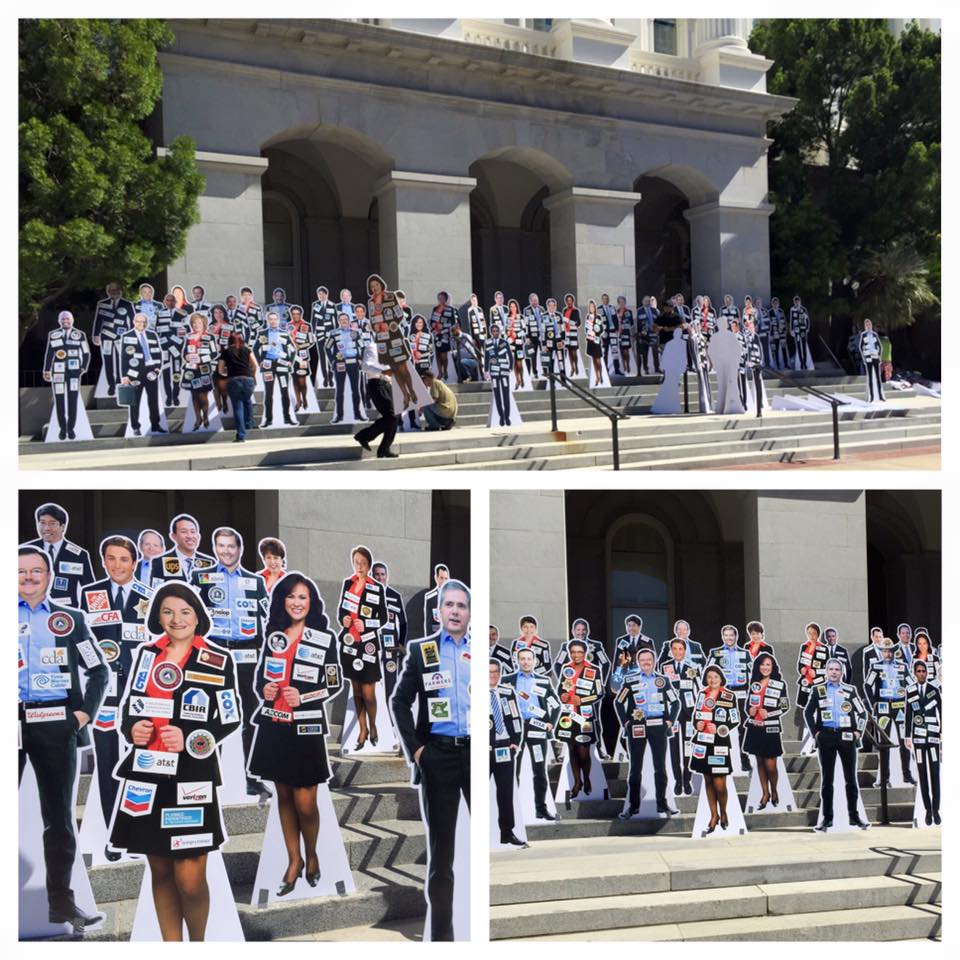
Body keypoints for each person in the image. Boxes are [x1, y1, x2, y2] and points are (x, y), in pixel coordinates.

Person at [107, 582, 241, 940]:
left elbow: (229, 718)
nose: (176, 619)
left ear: (198, 616)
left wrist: (191, 738)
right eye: (167, 611)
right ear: (158, 616)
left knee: (190, 879)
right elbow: (130, 710)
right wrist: (131, 729)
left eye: (184, 611)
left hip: (191, 777)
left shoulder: (216, 659)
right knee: (161, 871)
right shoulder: (147, 655)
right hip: (147, 774)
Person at [19, 545, 108, 928]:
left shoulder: (69, 619)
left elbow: (98, 670)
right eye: (19, 571)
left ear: (49, 576)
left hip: (55, 720)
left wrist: (83, 713)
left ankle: (61, 903)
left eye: (35, 571)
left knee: (58, 818)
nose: (27, 578)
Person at [247, 572, 342, 894]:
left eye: (303, 597)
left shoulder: (323, 637)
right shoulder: (274, 634)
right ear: (282, 600)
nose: (297, 602)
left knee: (305, 803)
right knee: (284, 798)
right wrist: (265, 687)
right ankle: (293, 861)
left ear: (311, 602)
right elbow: (260, 678)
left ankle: (313, 854)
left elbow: (333, 683)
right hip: (275, 726)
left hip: (306, 727)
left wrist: (305, 697)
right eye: (291, 596)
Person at [391, 579, 471, 942]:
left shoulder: (483, 652)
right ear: (439, 612)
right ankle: (443, 939)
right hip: (438, 754)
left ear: (469, 613)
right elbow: (400, 702)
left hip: (475, 753)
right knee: (442, 855)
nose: (455, 611)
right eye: (449, 605)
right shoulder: (423, 651)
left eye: (461, 606)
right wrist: (418, 750)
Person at [79, 535, 154, 860]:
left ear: (134, 563)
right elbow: (82, 642)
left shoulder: (149, 597)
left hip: (139, 696)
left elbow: (156, 645)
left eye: (124, 559)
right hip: (105, 696)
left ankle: (137, 831)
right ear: (103, 560)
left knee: (140, 764)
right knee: (108, 766)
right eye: (111, 558)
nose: (117, 565)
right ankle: (114, 835)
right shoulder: (90, 594)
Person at [191, 527, 270, 800]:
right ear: (215, 549)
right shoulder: (201, 578)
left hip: (248, 655)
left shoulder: (254, 581)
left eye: (231, 546)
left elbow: (267, 619)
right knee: (213, 715)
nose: (226, 551)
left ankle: (251, 778)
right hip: (214, 653)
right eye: (221, 546)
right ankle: (211, 778)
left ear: (240, 549)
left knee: (249, 715)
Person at [804, 658, 870, 831]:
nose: (834, 672)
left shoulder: (849, 690)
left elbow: (863, 714)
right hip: (826, 736)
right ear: (826, 672)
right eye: (831, 669)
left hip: (847, 736)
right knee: (827, 780)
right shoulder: (818, 690)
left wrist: (858, 732)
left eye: (837, 670)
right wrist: (816, 733)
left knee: (851, 779)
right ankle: (827, 818)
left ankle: (854, 817)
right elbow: (808, 712)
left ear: (842, 673)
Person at [615, 648, 681, 818]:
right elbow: (618, 702)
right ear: (638, 662)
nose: (646, 662)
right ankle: (633, 806)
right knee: (635, 768)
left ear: (654, 661)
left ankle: (662, 803)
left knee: (660, 767)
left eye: (649, 659)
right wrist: (626, 722)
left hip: (658, 725)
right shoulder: (631, 680)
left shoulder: (663, 680)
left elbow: (675, 703)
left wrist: (670, 721)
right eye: (642, 660)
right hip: (637, 726)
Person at [337, 545, 389, 749]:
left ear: (369, 564)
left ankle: (374, 726)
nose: (359, 566)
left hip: (368, 644)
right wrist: (345, 620)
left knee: (369, 693)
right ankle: (362, 729)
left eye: (363, 562)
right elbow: (341, 611)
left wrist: (366, 624)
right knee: (356, 691)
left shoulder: (376, 587)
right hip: (350, 644)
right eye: (356, 562)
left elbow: (383, 618)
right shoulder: (347, 583)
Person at [502, 647, 559, 821]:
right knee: (512, 770)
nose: (526, 662)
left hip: (537, 727)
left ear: (534, 661)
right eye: (522, 659)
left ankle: (540, 809)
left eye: (529, 659)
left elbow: (555, 704)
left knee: (539, 770)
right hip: (515, 728)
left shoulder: (543, 680)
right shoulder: (507, 680)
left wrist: (550, 722)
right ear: (517, 661)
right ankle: (512, 810)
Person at [690, 664, 741, 834]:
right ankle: (714, 815)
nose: (712, 680)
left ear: (721, 679)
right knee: (708, 781)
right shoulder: (702, 694)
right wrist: (697, 724)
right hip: (703, 742)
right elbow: (696, 716)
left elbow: (734, 720)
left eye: (715, 677)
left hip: (719, 743)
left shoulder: (728, 695)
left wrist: (719, 727)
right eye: (709, 677)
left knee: (720, 783)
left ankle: (724, 812)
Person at [554, 639, 604, 799]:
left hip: (585, 716)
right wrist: (562, 694)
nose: (576, 655)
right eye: (573, 652)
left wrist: (582, 700)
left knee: (584, 752)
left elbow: (600, 693)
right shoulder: (566, 669)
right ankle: (577, 782)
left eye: (579, 652)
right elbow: (560, 688)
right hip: (568, 716)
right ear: (570, 653)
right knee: (572, 750)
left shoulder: (594, 670)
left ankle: (587, 778)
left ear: (585, 653)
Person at [864, 638, 915, 786]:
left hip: (900, 706)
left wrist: (910, 703)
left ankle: (907, 775)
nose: (887, 653)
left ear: (893, 652)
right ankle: (884, 778)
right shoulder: (876, 666)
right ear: (881, 652)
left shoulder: (902, 666)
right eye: (885, 651)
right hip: (883, 707)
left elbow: (911, 685)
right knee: (884, 742)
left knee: (904, 740)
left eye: (890, 651)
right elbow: (867, 685)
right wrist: (874, 703)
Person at [743, 653, 790, 809]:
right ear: (758, 667)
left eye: (768, 664)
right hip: (755, 727)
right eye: (762, 664)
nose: (765, 667)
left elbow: (785, 706)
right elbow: (747, 705)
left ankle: (775, 790)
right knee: (760, 763)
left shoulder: (779, 684)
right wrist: (749, 710)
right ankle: (765, 793)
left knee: (771, 765)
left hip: (771, 728)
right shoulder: (754, 684)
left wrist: (769, 713)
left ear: (773, 667)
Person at [661, 636, 705, 795]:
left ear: (685, 651)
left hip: (688, 714)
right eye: (675, 649)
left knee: (688, 748)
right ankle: (677, 781)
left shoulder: (692, 667)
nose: (678, 652)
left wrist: (698, 713)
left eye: (680, 649)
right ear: (671, 651)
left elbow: (700, 690)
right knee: (673, 749)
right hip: (672, 716)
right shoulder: (665, 667)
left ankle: (687, 780)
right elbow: (662, 691)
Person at [28, 502, 95, 607]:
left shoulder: (79, 555)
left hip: (66, 613)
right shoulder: (26, 551)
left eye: (52, 523)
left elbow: (90, 590)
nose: (46, 528)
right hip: (32, 610)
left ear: (62, 527)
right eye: (42, 523)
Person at [706, 625, 752, 771]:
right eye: (726, 635)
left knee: (743, 728)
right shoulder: (716, 653)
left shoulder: (745, 653)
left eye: (731, 635)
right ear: (722, 637)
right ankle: (721, 758)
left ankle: (744, 760)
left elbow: (753, 673)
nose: (729, 638)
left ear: (736, 636)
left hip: (741, 693)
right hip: (723, 694)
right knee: (720, 726)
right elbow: (707, 673)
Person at [489, 659, 525, 846]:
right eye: (489, 672)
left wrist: (515, 741)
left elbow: (515, 717)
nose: (493, 675)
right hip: (484, 748)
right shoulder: (473, 692)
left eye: (496, 672)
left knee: (505, 791)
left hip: (505, 747)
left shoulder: (506, 692)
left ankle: (507, 832)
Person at [353, 327, 400, 458]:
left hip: (387, 384)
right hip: (377, 384)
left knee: (396, 417)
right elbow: (365, 366)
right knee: (392, 416)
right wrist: (383, 371)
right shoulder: (371, 347)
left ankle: (384, 449)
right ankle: (363, 436)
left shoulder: (389, 351)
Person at [43, 310, 91, 440]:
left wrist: (83, 367)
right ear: (59, 321)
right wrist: (47, 370)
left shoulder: (79, 334)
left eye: (67, 319)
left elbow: (86, 353)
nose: (65, 321)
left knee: (72, 400)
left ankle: (71, 429)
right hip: (58, 372)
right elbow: (49, 353)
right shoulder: (53, 334)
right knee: (59, 400)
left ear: (72, 320)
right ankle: (62, 429)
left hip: (74, 372)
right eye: (63, 319)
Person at [904, 659, 941, 825]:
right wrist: (907, 736)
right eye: (918, 671)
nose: (921, 674)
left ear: (927, 673)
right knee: (923, 774)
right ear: (915, 673)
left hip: (933, 737)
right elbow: (908, 715)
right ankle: (927, 810)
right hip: (918, 738)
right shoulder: (910, 690)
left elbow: (943, 710)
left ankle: (936, 809)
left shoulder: (934, 689)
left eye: (923, 671)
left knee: (934, 774)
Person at [118, 312, 166, 436]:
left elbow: (158, 352)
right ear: (134, 322)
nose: (142, 324)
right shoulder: (127, 336)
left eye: (144, 321)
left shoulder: (152, 334)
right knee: (135, 402)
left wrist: (157, 368)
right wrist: (124, 376)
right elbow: (123, 357)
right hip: (134, 373)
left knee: (153, 400)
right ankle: (135, 426)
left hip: (151, 371)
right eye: (139, 321)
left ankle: (155, 425)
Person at [371, 561, 408, 701]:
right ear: (372, 575)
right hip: (370, 642)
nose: (380, 577)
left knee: (391, 679)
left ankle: (391, 718)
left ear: (387, 576)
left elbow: (403, 622)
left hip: (390, 643)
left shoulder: (394, 596)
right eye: (377, 574)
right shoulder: (365, 594)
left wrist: (401, 643)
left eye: (382, 574)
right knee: (369, 680)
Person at [255, 311, 296, 427]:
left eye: (275, 319)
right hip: (268, 365)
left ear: (278, 321)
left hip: (282, 365)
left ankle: (287, 418)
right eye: (270, 319)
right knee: (268, 394)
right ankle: (268, 420)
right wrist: (260, 362)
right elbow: (255, 349)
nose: (273, 321)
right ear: (268, 321)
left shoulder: (284, 334)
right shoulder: (262, 333)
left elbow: (292, 349)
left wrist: (290, 362)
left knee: (284, 392)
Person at [149, 514, 216, 585]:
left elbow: (213, 591)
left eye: (193, 532)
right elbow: (156, 591)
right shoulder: (160, 562)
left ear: (198, 536)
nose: (190, 536)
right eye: (184, 531)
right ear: (173, 536)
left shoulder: (209, 563)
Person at [92, 282, 134, 397]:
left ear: (120, 291)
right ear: (108, 292)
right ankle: (111, 385)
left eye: (116, 290)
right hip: (106, 337)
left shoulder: (127, 304)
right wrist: (96, 335)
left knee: (123, 360)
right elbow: (98, 320)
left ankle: (121, 381)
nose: (114, 292)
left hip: (122, 337)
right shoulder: (102, 304)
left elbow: (133, 321)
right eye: (112, 291)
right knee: (108, 361)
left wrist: (133, 335)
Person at [217, 331, 259, 442]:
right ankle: (249, 425)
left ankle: (241, 435)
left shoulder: (225, 352)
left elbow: (220, 370)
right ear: (242, 339)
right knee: (247, 400)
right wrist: (252, 374)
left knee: (238, 407)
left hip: (233, 381)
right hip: (248, 380)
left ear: (229, 340)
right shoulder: (247, 349)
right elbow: (255, 365)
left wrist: (229, 372)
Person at [181, 313, 219, 430]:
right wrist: (186, 357)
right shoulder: (188, 337)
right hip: (191, 370)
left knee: (203, 395)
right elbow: (184, 353)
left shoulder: (210, 336)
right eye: (194, 323)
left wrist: (201, 359)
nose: (196, 325)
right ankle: (198, 418)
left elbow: (214, 353)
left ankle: (206, 416)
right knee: (194, 395)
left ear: (203, 324)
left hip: (204, 370)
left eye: (199, 323)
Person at [156, 293, 190, 406]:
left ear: (175, 302)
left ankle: (175, 396)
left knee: (177, 372)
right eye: (168, 300)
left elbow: (187, 329)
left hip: (177, 347)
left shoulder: (182, 313)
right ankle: (168, 396)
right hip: (164, 348)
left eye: (172, 300)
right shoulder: (160, 313)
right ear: (165, 302)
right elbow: (156, 330)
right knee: (165, 372)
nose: (170, 302)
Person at [287, 305, 316, 413]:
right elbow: (285, 341)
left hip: (302, 356)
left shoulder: (306, 325)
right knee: (295, 379)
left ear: (301, 314)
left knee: (302, 381)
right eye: (293, 314)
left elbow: (312, 341)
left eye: (297, 314)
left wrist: (301, 346)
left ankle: (304, 397)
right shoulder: (288, 326)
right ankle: (298, 401)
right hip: (292, 356)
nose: (295, 315)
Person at [485, 321, 514, 427]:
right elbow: (487, 357)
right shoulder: (488, 343)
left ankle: (507, 416)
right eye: (493, 331)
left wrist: (510, 367)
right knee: (497, 395)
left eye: (497, 331)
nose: (495, 332)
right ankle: (501, 416)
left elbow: (510, 356)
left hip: (504, 371)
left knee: (506, 394)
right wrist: (486, 370)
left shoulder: (504, 342)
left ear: (499, 331)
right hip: (494, 372)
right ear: (491, 332)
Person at [206, 304, 233, 415]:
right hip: (212, 358)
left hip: (225, 358)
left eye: (220, 312)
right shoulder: (209, 326)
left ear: (224, 313)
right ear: (213, 314)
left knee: (223, 383)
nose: (218, 314)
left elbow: (233, 342)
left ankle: (225, 401)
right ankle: (218, 403)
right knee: (214, 382)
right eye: (216, 312)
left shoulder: (230, 326)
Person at [311, 286, 338, 388]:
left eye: (322, 294)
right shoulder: (315, 305)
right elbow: (313, 320)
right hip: (319, 334)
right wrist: (312, 333)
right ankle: (325, 378)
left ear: (326, 294)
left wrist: (337, 333)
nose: (321, 296)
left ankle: (331, 377)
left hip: (330, 334)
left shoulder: (332, 305)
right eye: (319, 294)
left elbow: (336, 320)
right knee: (322, 356)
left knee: (330, 355)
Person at [430, 291, 457, 381]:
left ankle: (445, 370)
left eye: (443, 298)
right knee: (437, 354)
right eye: (439, 298)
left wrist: (444, 327)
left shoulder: (450, 309)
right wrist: (433, 329)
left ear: (446, 299)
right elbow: (432, 321)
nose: (441, 300)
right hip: (436, 335)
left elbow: (453, 323)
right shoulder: (435, 309)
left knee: (444, 356)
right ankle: (440, 372)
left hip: (445, 335)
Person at [857, 318, 884, 402]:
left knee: (878, 377)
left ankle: (880, 396)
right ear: (865, 326)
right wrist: (864, 358)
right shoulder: (863, 335)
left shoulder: (874, 334)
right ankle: (871, 396)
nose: (868, 326)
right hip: (868, 358)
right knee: (870, 378)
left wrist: (879, 356)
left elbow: (880, 346)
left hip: (875, 357)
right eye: (867, 325)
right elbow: (860, 347)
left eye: (869, 325)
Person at [504, 299, 526, 389]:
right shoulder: (507, 317)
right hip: (511, 343)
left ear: (517, 307)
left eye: (514, 306)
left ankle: (522, 377)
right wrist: (508, 337)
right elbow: (505, 330)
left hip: (519, 343)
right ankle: (517, 380)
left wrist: (517, 334)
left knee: (519, 363)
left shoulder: (520, 317)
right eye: (511, 306)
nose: (512, 308)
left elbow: (525, 330)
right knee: (514, 363)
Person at [422, 564, 449, 634]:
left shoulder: (454, 597)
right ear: (436, 578)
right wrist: (428, 640)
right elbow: (428, 623)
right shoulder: (430, 597)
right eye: (441, 578)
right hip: (436, 634)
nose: (444, 581)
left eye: (446, 578)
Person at [638, 296, 660, 375]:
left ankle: (657, 368)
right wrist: (639, 333)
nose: (647, 302)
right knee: (645, 353)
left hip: (653, 334)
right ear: (643, 302)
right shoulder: (639, 311)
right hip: (644, 334)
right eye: (646, 301)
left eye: (648, 301)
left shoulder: (654, 310)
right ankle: (645, 369)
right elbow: (638, 323)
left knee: (655, 352)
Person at [584, 299, 604, 385]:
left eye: (592, 306)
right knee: (594, 360)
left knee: (598, 360)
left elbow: (601, 329)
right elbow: (586, 328)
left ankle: (601, 374)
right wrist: (589, 333)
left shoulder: (598, 317)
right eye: (590, 307)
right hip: (590, 341)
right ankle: (597, 377)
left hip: (596, 340)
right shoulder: (588, 317)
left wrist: (596, 334)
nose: (591, 308)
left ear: (595, 308)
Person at [466, 294, 487, 374]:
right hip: (476, 335)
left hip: (482, 334)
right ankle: (480, 372)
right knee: (478, 353)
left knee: (485, 352)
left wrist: (485, 334)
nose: (475, 302)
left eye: (476, 300)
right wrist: (472, 338)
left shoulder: (480, 309)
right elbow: (469, 324)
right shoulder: (469, 310)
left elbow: (484, 322)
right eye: (474, 300)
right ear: (471, 301)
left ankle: (486, 370)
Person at [561, 293, 582, 376]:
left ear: (573, 301)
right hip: (566, 333)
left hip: (573, 332)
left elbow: (578, 323)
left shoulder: (576, 310)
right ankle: (572, 367)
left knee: (574, 351)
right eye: (567, 301)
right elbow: (563, 321)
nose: (569, 302)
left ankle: (576, 365)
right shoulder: (564, 310)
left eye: (570, 300)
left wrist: (569, 322)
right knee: (569, 350)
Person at [790, 296, 812, 368]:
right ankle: (801, 362)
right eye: (795, 301)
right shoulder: (792, 309)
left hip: (803, 330)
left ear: (800, 301)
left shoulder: (803, 309)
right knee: (798, 346)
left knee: (804, 346)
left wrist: (808, 328)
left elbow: (808, 319)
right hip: (796, 331)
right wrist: (791, 330)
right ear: (794, 302)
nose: (797, 302)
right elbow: (791, 320)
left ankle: (805, 362)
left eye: (798, 301)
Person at [768, 297, 788, 370]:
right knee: (775, 349)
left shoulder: (781, 311)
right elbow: (769, 323)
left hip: (782, 332)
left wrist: (786, 330)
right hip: (774, 333)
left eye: (777, 303)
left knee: (783, 348)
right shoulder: (769, 312)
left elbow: (785, 321)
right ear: (772, 304)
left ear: (778, 304)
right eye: (774, 303)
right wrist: (770, 334)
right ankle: (777, 365)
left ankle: (786, 364)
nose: (775, 304)